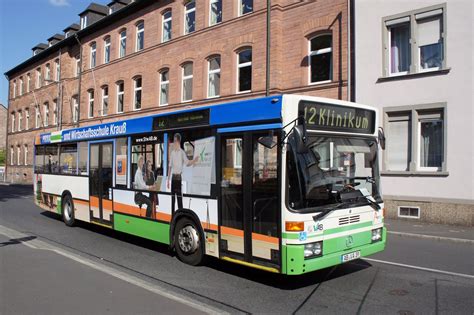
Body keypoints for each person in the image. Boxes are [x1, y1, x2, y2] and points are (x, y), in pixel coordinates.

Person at [167, 133, 198, 215]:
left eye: (175, 141)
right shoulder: (172, 153)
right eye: (173, 141)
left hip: (178, 178)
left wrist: (194, 160)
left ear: (178, 141)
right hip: (173, 178)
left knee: (179, 200)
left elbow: (187, 163)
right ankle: (172, 216)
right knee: (172, 200)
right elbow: (170, 166)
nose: (174, 143)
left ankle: (180, 215)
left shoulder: (182, 152)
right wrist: (168, 180)